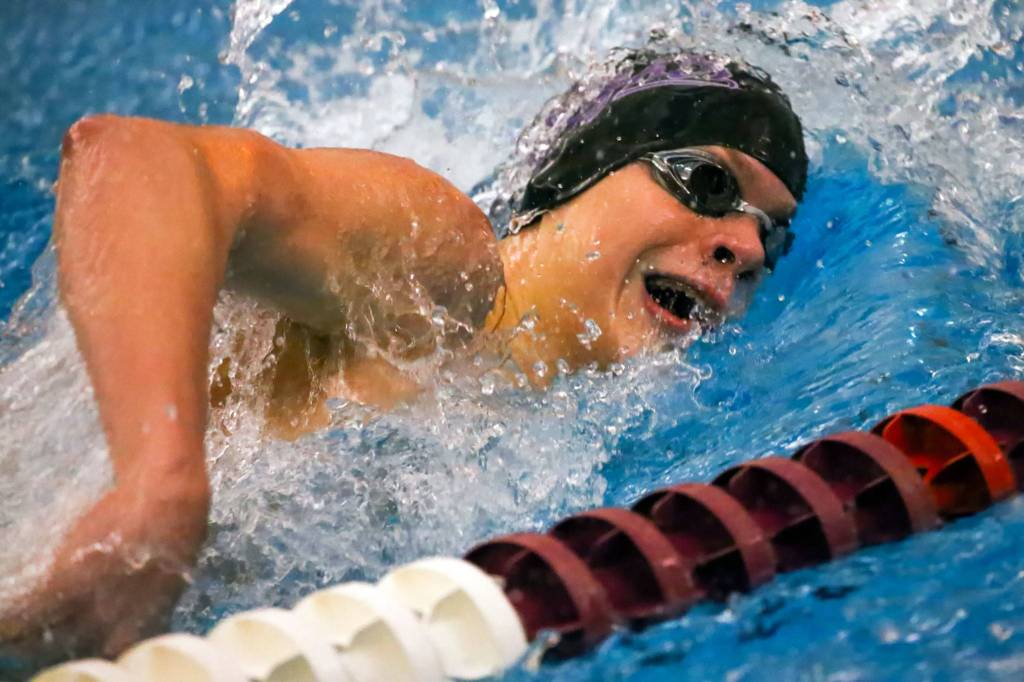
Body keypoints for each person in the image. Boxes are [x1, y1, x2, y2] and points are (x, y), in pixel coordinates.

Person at [0, 48, 806, 658]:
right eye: (706, 183)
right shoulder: (440, 277)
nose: (744, 248)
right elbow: (127, 156)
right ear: (578, 172)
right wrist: (159, 485)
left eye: (770, 234)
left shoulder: (573, 442)